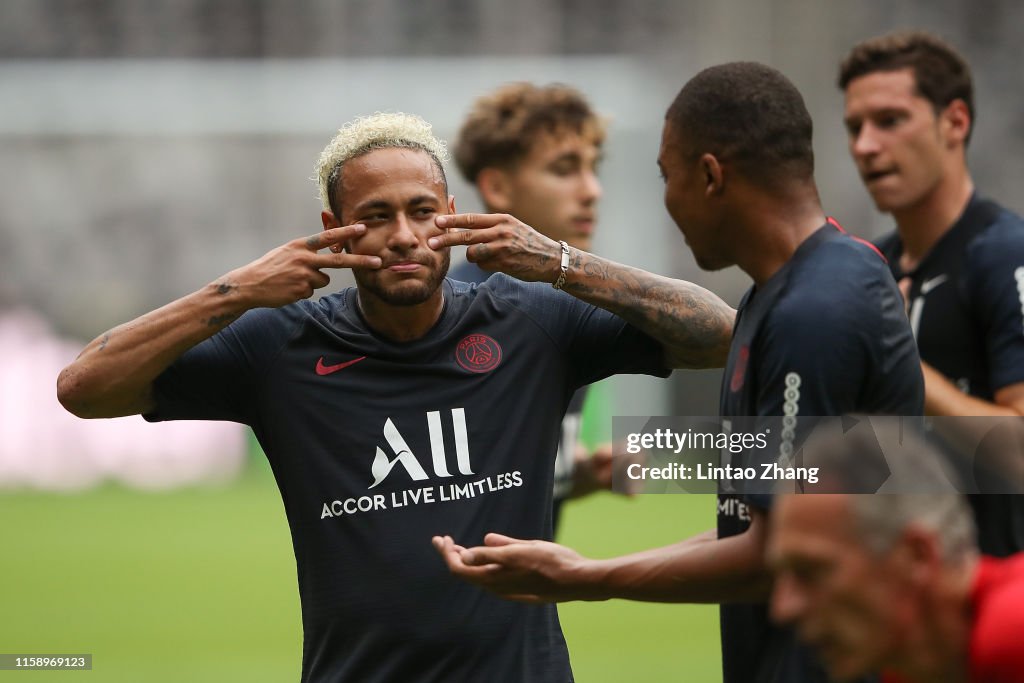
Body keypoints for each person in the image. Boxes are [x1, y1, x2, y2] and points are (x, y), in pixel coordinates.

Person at [56, 112, 735, 682]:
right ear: (333, 225)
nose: (403, 236)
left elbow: (719, 336)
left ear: (451, 214)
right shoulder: (276, 346)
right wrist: (236, 290)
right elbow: (84, 389)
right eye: (375, 216)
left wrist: (560, 262)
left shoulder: (530, 319)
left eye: (420, 212)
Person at [433, 62, 923, 683]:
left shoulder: (815, 306)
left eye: (666, 177)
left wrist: (589, 576)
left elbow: (783, 539)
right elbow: (764, 501)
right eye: (565, 168)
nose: (595, 191)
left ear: (710, 175)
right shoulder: (781, 297)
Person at [840, 30, 1024, 555]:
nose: (865, 145)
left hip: (992, 604)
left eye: (890, 121)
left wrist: (903, 362)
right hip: (897, 607)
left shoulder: (1005, 254)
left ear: (955, 122)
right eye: (854, 127)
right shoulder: (865, 266)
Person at [451, 81, 615, 529]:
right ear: (498, 187)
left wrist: (565, 472)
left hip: (528, 601)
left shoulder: (571, 304)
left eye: (593, 168)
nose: (592, 190)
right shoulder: (449, 312)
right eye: (565, 169)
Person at [768, 440, 1024, 683]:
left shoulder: (1011, 636)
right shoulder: (917, 666)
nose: (783, 608)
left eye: (811, 571)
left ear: (917, 556)